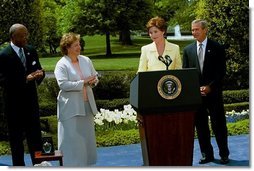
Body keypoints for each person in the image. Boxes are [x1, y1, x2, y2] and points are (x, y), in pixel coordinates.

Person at [182, 19, 229, 164]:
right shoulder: (188, 50)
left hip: (213, 94)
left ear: (205, 30)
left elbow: (221, 72)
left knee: (219, 125)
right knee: (201, 127)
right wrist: (195, 89)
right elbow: (186, 73)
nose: (194, 32)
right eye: (192, 30)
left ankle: (224, 154)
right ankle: (206, 154)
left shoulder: (218, 47)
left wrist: (210, 87)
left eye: (196, 29)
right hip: (197, 96)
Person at [0, 23, 45, 166]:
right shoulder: (4, 55)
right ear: (13, 37)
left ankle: (38, 165)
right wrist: (25, 79)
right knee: (16, 139)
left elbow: (37, 68)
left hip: (31, 102)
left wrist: (40, 74)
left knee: (35, 137)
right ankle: (19, 167)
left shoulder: (31, 50)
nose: (25, 38)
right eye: (22, 35)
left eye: (26, 34)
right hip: (14, 104)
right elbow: (2, 80)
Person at [54, 32, 99, 166]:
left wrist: (94, 81)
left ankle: (85, 165)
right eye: (75, 45)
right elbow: (63, 84)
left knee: (86, 138)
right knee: (70, 138)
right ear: (67, 48)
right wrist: (83, 82)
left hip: (86, 105)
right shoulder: (61, 64)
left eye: (79, 44)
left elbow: (95, 76)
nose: (79, 47)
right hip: (70, 107)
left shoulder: (86, 60)